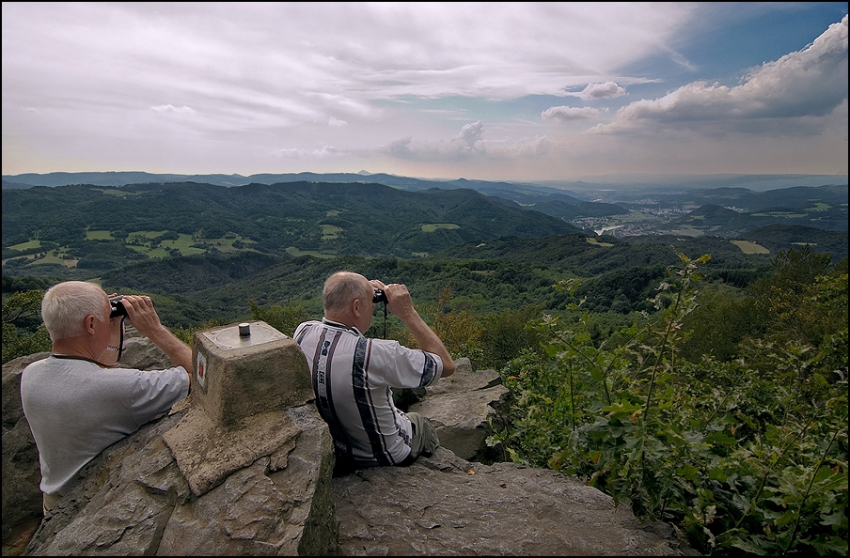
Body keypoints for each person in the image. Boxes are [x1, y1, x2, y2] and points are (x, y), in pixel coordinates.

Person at [20, 281, 192, 513]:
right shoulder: (123, 387)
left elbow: (90, 366)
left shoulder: (31, 374)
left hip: (53, 503)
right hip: (95, 506)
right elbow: (203, 373)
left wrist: (101, 317)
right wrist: (155, 330)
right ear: (91, 324)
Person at [293, 271, 456, 473]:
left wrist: (358, 290)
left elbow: (340, 330)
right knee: (421, 423)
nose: (373, 306)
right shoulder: (377, 354)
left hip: (339, 448)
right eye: (370, 303)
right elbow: (446, 365)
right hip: (382, 456)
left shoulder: (303, 332)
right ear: (356, 307)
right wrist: (408, 312)